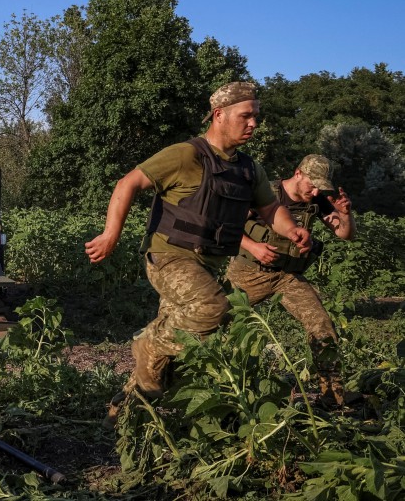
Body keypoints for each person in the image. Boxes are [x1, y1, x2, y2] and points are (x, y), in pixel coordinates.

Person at [84, 82, 312, 425]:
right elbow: (127, 183)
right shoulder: (186, 155)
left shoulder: (249, 170)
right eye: (245, 116)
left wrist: (292, 229)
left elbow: (269, 210)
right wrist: (110, 235)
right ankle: (146, 343)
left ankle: (123, 412)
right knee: (210, 309)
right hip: (170, 257)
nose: (253, 124)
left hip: (207, 265)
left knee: (175, 357)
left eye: (256, 117)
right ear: (219, 115)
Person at [226, 154, 356, 404]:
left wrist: (345, 214)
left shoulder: (317, 200)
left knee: (321, 325)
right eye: (312, 183)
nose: (316, 190)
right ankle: (215, 385)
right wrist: (253, 247)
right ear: (298, 174)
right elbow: (228, 223)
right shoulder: (266, 192)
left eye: (321, 186)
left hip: (287, 277)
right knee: (214, 323)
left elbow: (344, 234)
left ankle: (333, 395)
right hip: (248, 273)